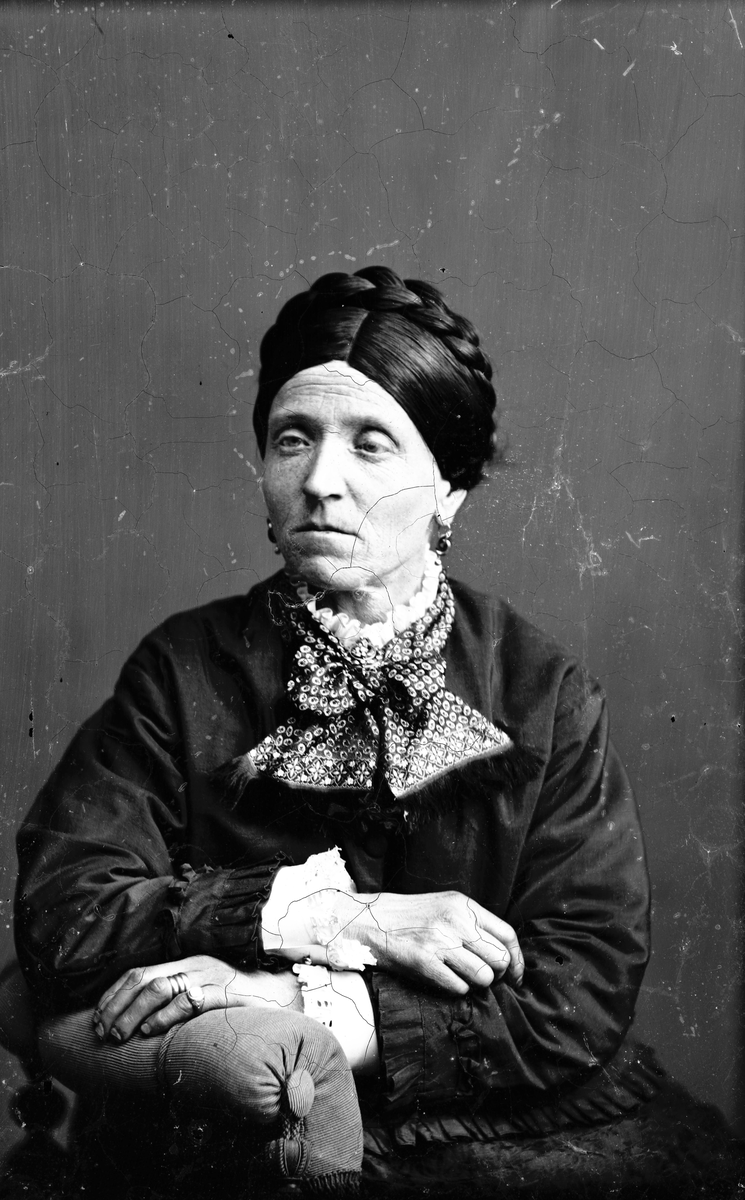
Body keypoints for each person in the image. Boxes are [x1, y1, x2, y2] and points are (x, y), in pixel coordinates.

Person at [11, 268, 737, 1198]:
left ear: (450, 490)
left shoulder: (539, 688)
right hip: (235, 1129)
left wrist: (300, 1003)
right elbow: (64, 914)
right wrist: (351, 920)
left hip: (493, 1112)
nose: (319, 481)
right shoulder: (183, 668)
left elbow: (583, 982)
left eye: (371, 443)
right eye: (292, 439)